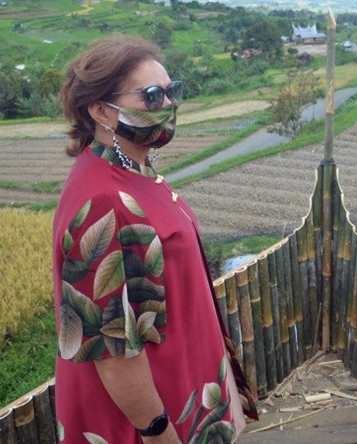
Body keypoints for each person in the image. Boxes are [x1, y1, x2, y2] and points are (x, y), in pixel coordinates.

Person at [53, 35, 257, 443]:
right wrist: (158, 431)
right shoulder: (102, 200)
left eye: (171, 92)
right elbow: (110, 348)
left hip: (183, 385)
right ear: (100, 111)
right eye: (151, 96)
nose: (166, 105)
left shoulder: (137, 172)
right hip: (150, 416)